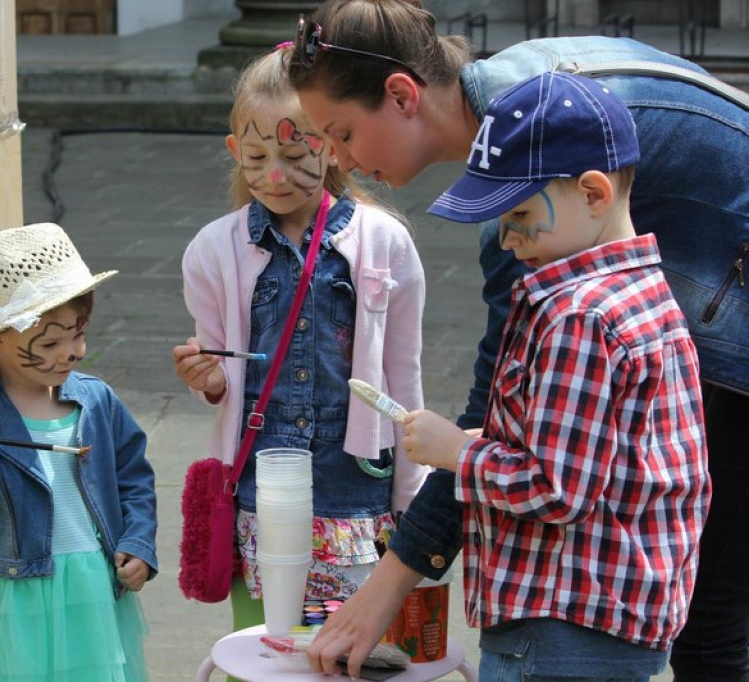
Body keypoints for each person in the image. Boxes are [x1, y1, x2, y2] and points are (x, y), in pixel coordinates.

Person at [286, 1, 749, 679]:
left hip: (730, 318)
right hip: (700, 299)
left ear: (402, 94)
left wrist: (386, 587)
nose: (339, 161)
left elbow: (501, 418)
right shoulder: (530, 134)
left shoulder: (532, 189)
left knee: (712, 620)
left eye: (342, 132)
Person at [417, 70, 710, 679]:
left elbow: (556, 488)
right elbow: (593, 452)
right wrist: (491, 443)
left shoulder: (581, 316)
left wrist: (455, 455)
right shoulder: (640, 291)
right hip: (606, 623)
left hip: (561, 626)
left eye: (520, 212)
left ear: (595, 193)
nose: (507, 235)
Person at [171, 45, 429, 633]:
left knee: (353, 653)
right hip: (260, 490)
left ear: (333, 147)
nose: (275, 174)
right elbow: (220, 374)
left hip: (356, 490)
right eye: (258, 156)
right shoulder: (213, 251)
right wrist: (206, 380)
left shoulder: (384, 242)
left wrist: (413, 499)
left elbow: (403, 376)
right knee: (267, 649)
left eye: (294, 152)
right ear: (236, 151)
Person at [0, 223, 157, 682]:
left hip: (92, 587)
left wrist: (138, 545)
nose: (70, 353)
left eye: (78, 335)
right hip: (13, 597)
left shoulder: (97, 401)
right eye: (50, 343)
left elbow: (134, 479)